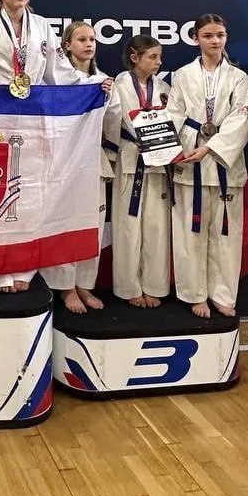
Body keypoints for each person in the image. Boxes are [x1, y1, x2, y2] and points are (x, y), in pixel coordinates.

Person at [0, 0, 88, 292]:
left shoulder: (42, 26)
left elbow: (57, 72)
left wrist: (91, 85)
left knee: (29, 193)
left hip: (33, 118)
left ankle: (23, 266)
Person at [167, 13, 248, 319]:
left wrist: (209, 148)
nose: (215, 41)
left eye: (220, 35)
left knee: (226, 235)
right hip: (190, 159)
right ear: (196, 39)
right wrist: (181, 147)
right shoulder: (182, 75)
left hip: (223, 164)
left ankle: (223, 294)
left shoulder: (238, 77)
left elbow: (242, 118)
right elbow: (174, 113)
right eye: (208, 35)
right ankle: (194, 294)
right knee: (190, 233)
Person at [41, 21, 114, 312]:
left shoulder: (104, 81)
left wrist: (108, 96)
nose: (89, 44)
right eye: (82, 39)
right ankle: (65, 287)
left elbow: (113, 124)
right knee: (66, 223)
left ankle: (84, 284)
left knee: (92, 225)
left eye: (92, 39)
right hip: (63, 161)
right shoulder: (55, 81)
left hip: (93, 160)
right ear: (67, 46)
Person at [105, 35, 172, 309]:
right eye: (152, 57)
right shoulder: (119, 84)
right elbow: (111, 120)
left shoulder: (164, 88)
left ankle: (154, 285)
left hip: (157, 163)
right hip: (130, 160)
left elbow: (172, 120)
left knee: (156, 227)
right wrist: (119, 150)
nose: (158, 62)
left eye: (159, 57)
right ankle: (129, 287)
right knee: (127, 228)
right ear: (135, 58)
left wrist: (163, 145)